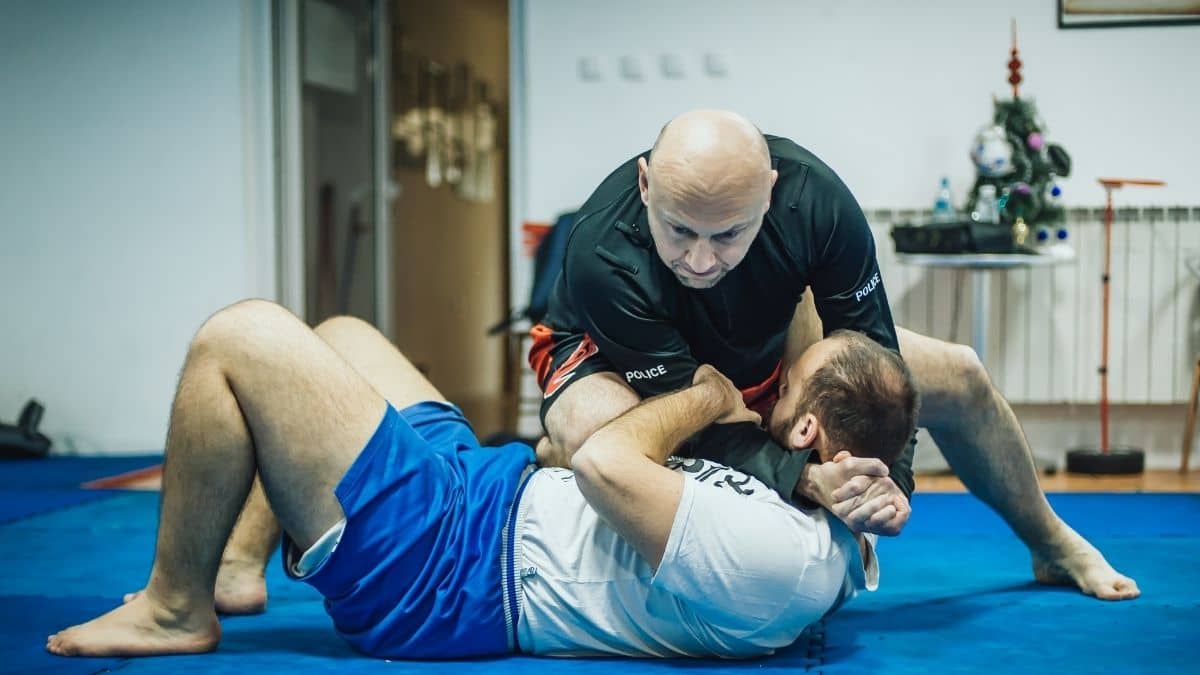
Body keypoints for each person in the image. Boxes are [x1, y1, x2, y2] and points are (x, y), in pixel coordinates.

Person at [47, 301, 917, 659]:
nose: (770, 377)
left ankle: (173, 604)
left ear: (805, 427)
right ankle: (238, 566)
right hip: (486, 494)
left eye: (789, 381)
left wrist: (705, 395)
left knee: (240, 337)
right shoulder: (806, 494)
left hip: (454, 573)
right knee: (344, 332)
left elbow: (603, 459)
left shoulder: (781, 560)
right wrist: (820, 479)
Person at [529, 109, 1138, 601]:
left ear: (768, 196)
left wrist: (890, 483)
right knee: (595, 433)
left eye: (728, 235)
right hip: (617, 356)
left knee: (961, 373)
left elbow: (873, 360)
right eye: (679, 230)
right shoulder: (601, 252)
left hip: (761, 339)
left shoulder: (816, 203)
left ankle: (1052, 541)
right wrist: (807, 478)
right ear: (644, 186)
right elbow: (697, 419)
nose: (700, 261)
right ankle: (558, 445)